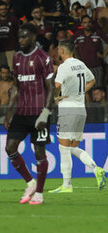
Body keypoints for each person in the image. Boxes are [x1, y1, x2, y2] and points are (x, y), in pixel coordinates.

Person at [4, 23, 55, 205]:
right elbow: (16, 87)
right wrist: (9, 113)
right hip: (22, 112)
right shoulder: (17, 58)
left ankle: (39, 193)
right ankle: (30, 182)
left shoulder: (43, 57)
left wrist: (45, 114)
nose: (21, 40)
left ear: (34, 36)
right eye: (19, 37)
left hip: (39, 112)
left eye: (25, 36)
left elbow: (51, 88)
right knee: (10, 148)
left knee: (39, 152)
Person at [49, 39, 106, 193]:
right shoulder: (80, 64)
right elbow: (92, 80)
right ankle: (96, 169)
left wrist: (56, 98)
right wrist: (78, 93)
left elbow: (57, 86)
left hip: (68, 110)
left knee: (63, 148)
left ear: (61, 51)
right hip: (81, 110)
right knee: (73, 148)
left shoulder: (63, 67)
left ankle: (66, 185)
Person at [0, 1, 19, 72]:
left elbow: (18, 34)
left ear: (7, 10)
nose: (3, 11)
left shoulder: (13, 20)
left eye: (4, 9)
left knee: (13, 71)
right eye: (1, 9)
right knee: (1, 73)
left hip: (11, 50)